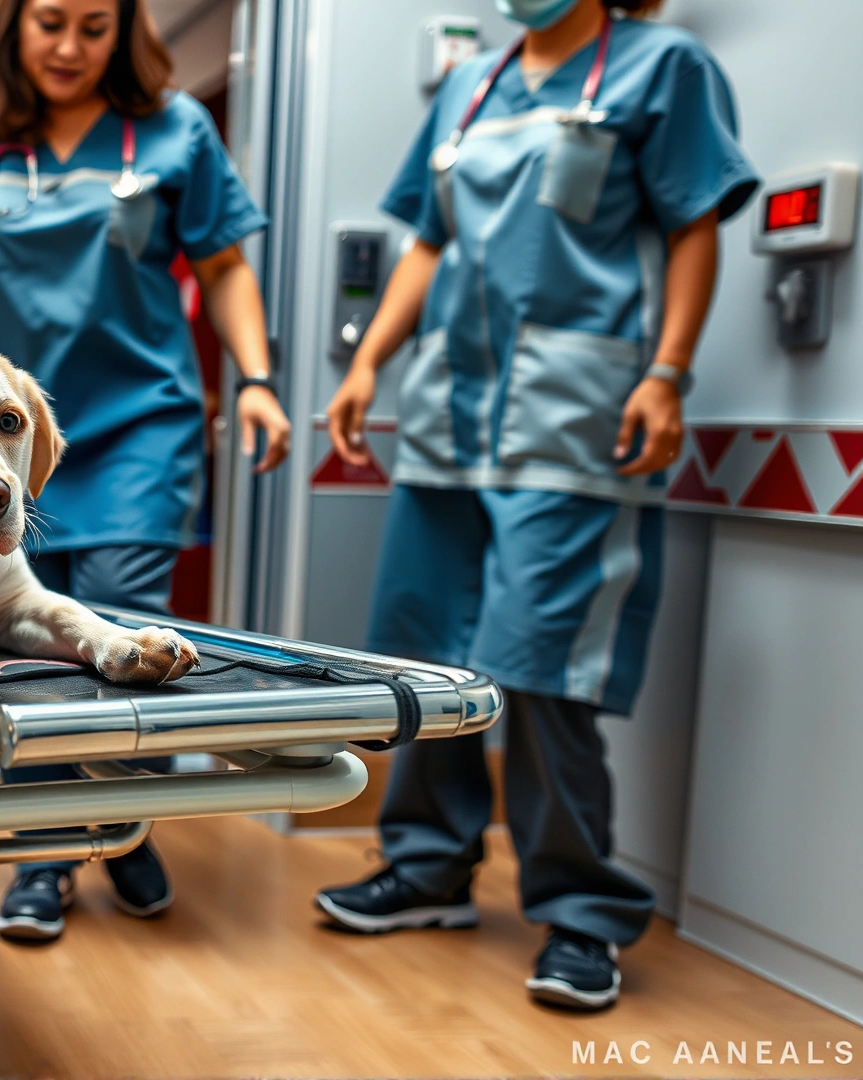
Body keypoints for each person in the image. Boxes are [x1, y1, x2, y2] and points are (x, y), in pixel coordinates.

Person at [311, 0, 757, 1011]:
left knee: (544, 672)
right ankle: (426, 868)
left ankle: (581, 917)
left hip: (576, 422)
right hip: (447, 420)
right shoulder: (471, 84)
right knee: (421, 658)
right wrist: (368, 362)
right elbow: (427, 242)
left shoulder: (662, 67)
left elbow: (692, 227)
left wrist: (670, 373)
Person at [0, 0, 291, 943]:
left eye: (94, 27)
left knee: (124, 629)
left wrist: (259, 379)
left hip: (136, 427)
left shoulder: (173, 131)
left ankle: (108, 824)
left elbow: (226, 267)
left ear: (124, 36)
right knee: (26, 644)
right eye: (51, 22)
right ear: (13, 30)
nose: (70, 46)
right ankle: (61, 843)